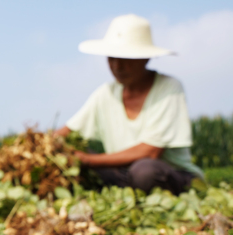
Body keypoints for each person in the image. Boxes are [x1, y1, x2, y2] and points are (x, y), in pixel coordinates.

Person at [56, 14, 203, 195]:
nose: (117, 66)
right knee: (68, 155)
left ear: (146, 58)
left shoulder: (169, 88)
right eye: (112, 58)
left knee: (144, 172)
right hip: (122, 174)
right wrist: (41, 146)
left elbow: (151, 152)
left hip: (169, 175)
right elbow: (67, 131)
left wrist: (86, 160)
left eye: (125, 59)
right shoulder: (106, 93)